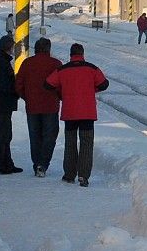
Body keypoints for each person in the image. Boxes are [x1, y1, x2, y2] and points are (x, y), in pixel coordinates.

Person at [44, 43, 108, 187]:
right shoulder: (92, 68)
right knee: (86, 143)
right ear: (82, 54)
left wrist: (61, 92)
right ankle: (83, 176)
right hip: (87, 112)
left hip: (69, 112)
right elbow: (104, 84)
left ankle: (69, 174)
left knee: (70, 143)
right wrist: (92, 88)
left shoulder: (62, 70)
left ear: (70, 55)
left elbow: (48, 84)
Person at [15, 37, 62, 177]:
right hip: (50, 106)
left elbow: (18, 85)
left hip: (32, 106)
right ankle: (43, 164)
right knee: (49, 136)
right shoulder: (56, 64)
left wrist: (27, 97)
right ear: (48, 49)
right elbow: (61, 85)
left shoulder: (27, 63)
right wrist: (59, 97)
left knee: (35, 136)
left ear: (35, 48)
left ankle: (37, 164)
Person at [0, 35, 22, 174]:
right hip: (2, 103)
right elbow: (4, 85)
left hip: (1, 103)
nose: (13, 48)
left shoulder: (0, 59)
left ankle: (6, 163)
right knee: (3, 134)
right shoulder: (2, 61)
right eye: (12, 46)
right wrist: (16, 91)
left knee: (5, 133)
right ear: (8, 47)